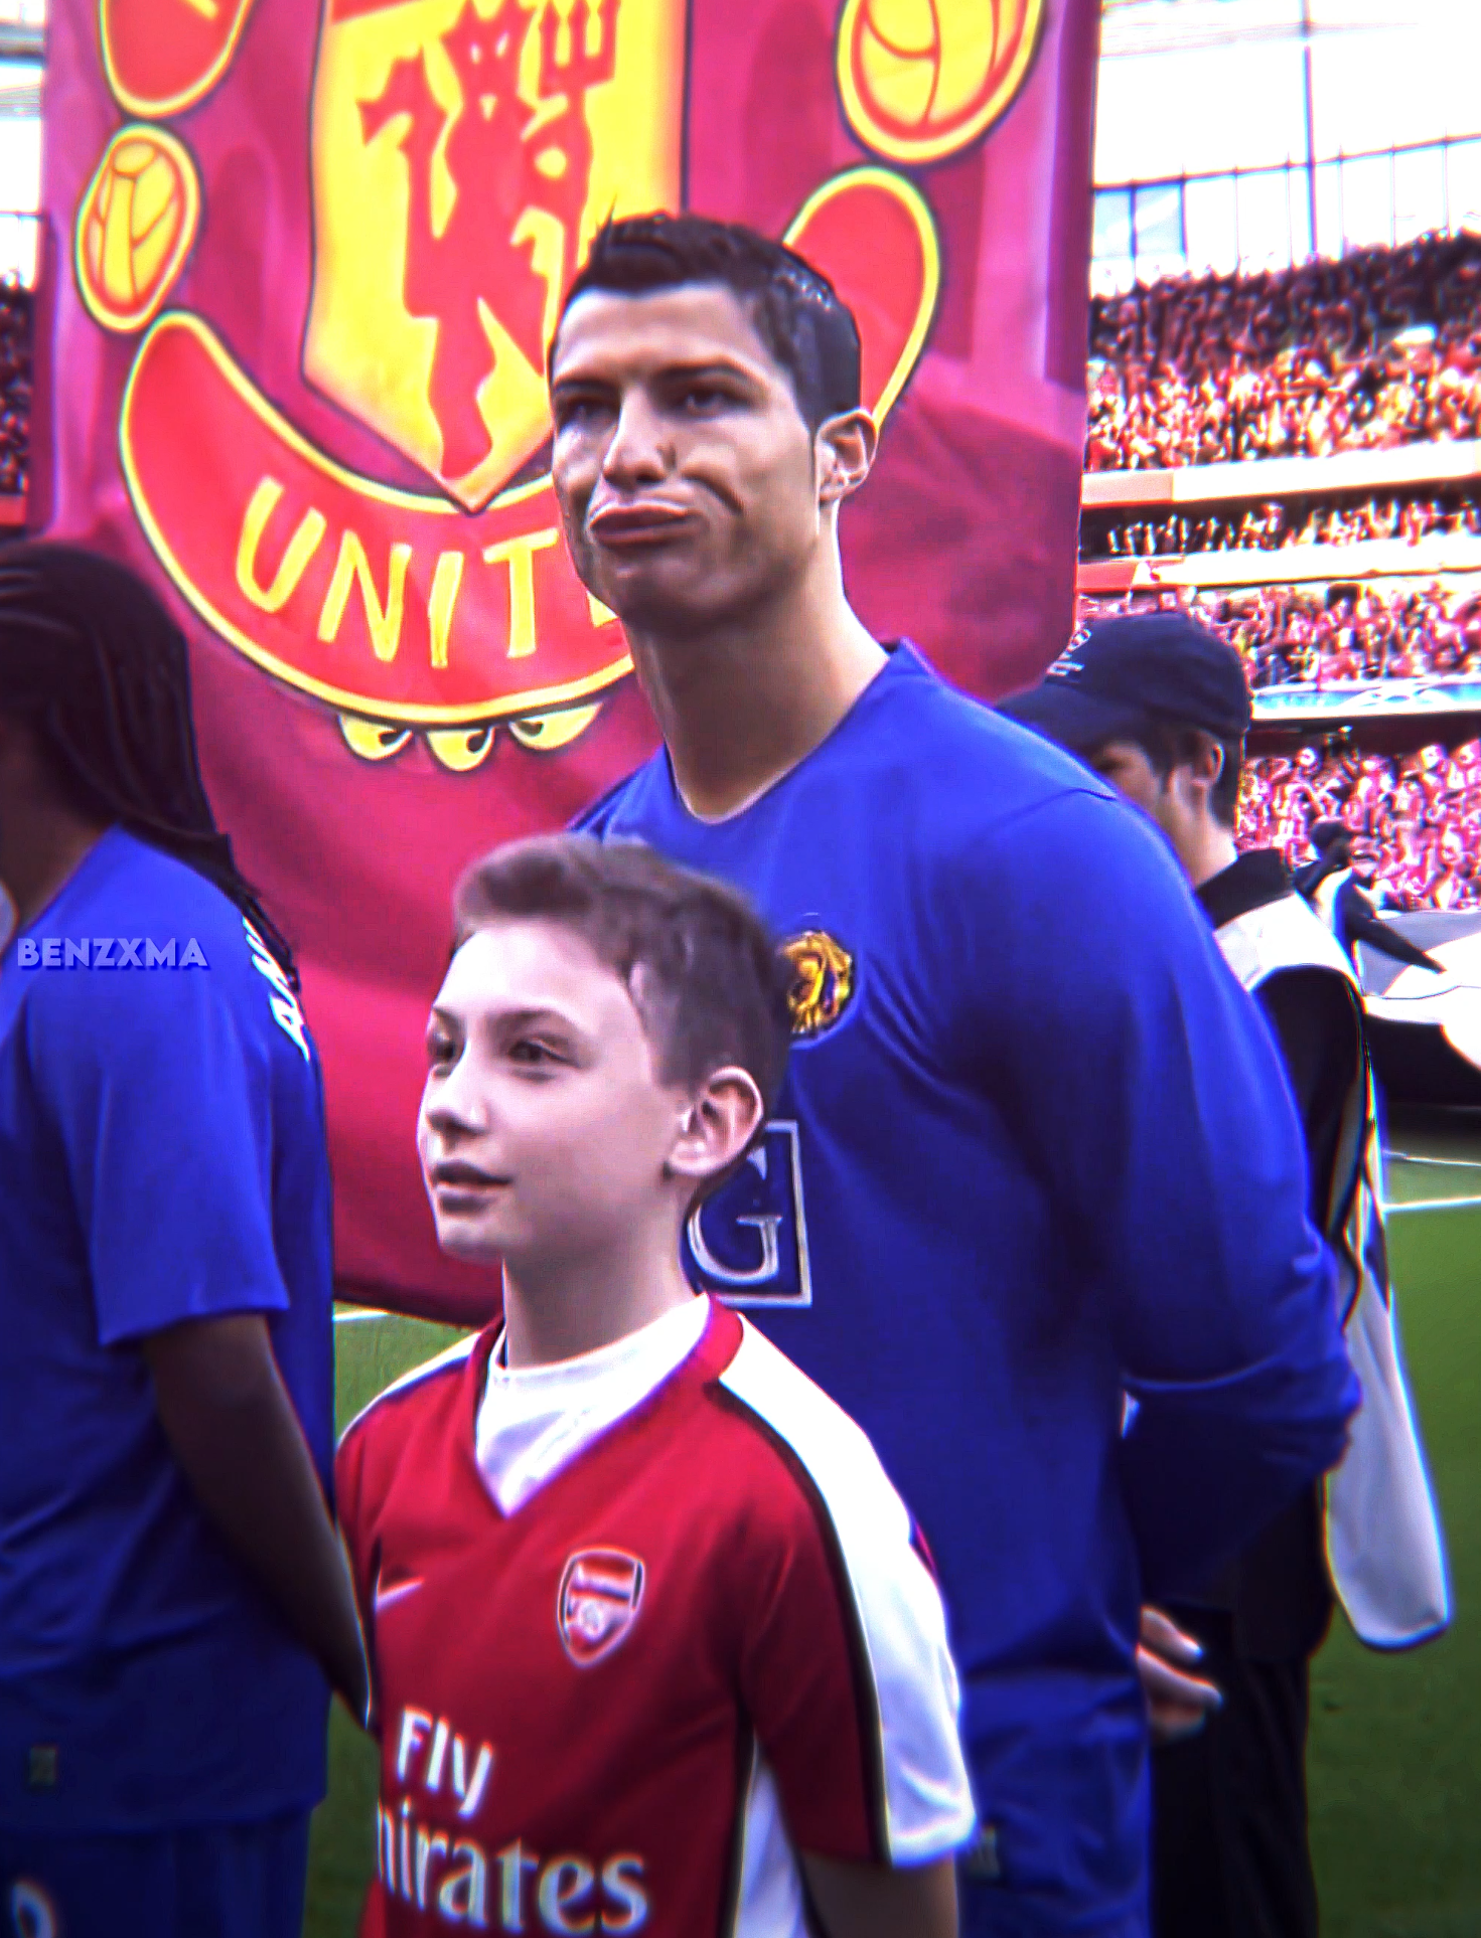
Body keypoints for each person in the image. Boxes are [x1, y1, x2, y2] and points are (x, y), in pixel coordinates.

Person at [543, 211, 1359, 1937]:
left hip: (970, 1803)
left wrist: (1069, 1572)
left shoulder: (1030, 845)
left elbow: (1267, 1360)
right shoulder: (592, 873)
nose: (627, 451)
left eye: (698, 395)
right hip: (659, 1770)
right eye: (584, 402)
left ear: (841, 453)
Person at [336, 834, 975, 1938]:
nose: (450, 1102)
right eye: (444, 1051)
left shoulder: (797, 1502)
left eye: (531, 1055)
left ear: (704, 1122)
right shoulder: (382, 1445)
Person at [1000, 608, 1448, 1938]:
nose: (1078, 799)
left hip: (1216, 1525)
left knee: (1223, 1883)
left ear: (1201, 761)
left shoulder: (1275, 971)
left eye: (1110, 769)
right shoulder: (1176, 939)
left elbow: (1226, 1292)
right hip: (1145, 1502)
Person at [0, 545, 365, 1938]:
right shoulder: (121, 934)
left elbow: (212, 1368)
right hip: (124, 1691)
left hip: (124, 1696)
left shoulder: (133, 953)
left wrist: (358, 1648)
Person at [1297, 820, 1445, 972]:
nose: (1352, 847)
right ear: (1337, 846)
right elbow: (1379, 936)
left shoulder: (1301, 876)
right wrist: (1430, 964)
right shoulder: (1338, 885)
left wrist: (1395, 900)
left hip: (1302, 972)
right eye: (1348, 841)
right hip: (1334, 977)